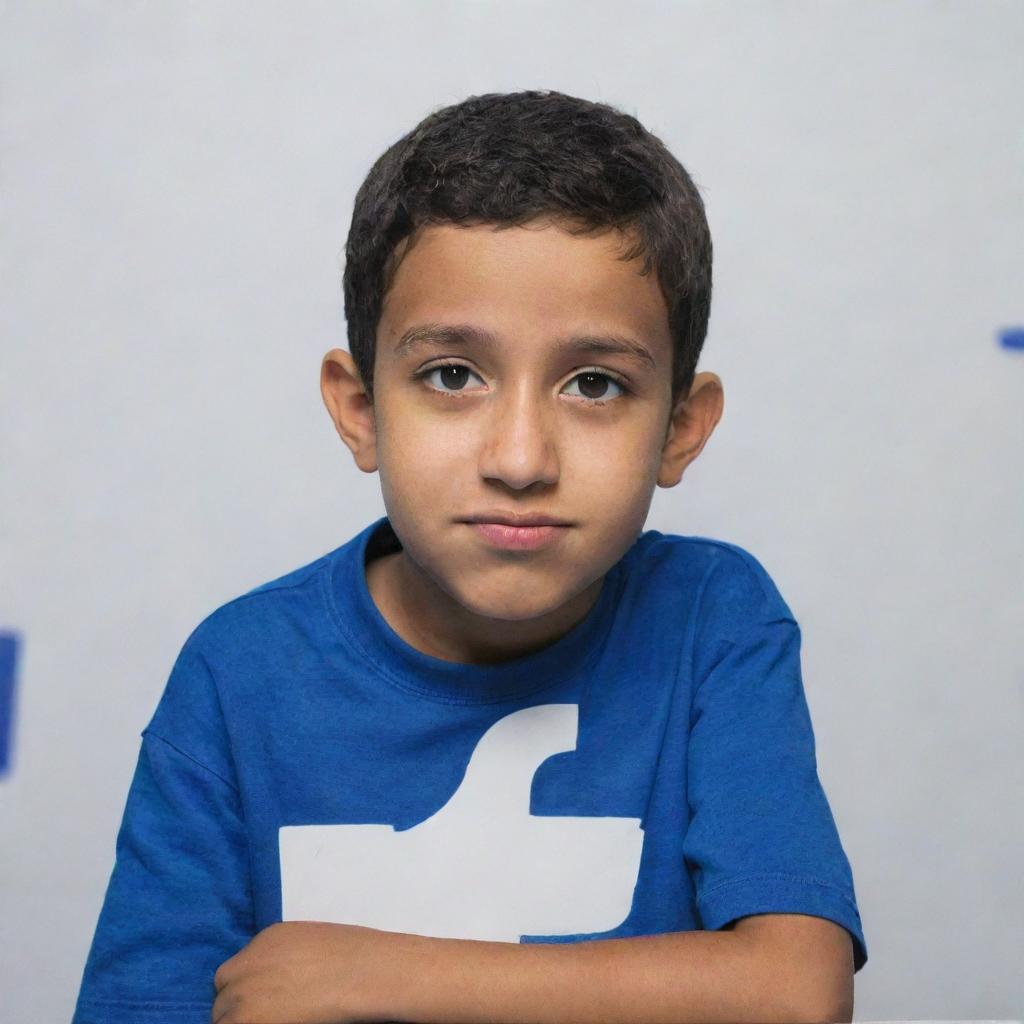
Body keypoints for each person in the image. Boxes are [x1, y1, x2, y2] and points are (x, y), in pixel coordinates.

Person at [72, 89, 867, 1024]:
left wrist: (377, 975)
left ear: (680, 431)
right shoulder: (240, 672)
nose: (520, 460)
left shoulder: (712, 622)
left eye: (595, 383)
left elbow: (795, 993)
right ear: (359, 407)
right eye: (453, 376)